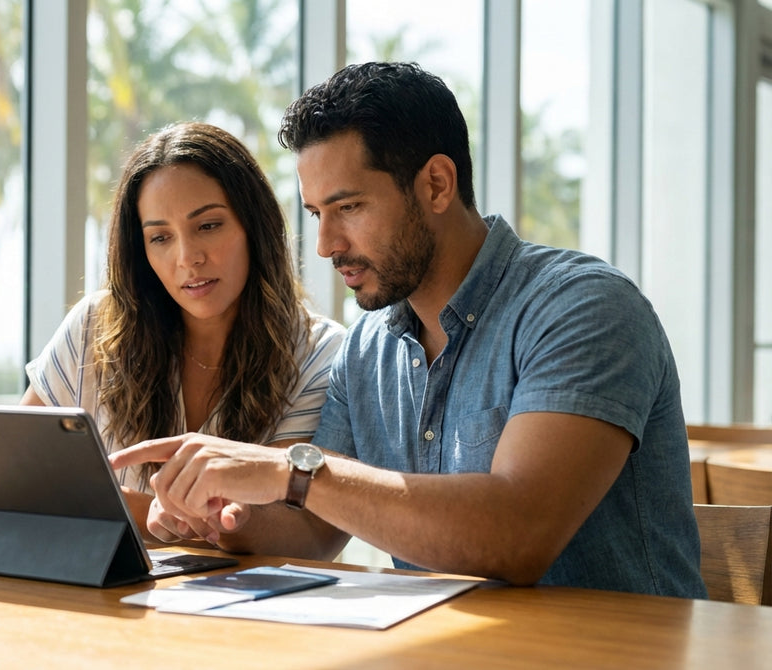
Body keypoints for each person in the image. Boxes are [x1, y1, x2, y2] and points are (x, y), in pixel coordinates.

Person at [111, 62, 708, 598]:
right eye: (317, 214)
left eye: (348, 208)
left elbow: (518, 535)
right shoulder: (366, 352)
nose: (324, 245)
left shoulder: (582, 307)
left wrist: (288, 470)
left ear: (437, 185)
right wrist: (222, 518)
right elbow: (315, 528)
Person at [0, 122, 346, 554]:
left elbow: (289, 528)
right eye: (160, 237)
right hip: (100, 605)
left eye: (208, 226)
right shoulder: (94, 326)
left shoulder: (320, 354)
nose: (188, 258)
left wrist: (45, 502)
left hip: (246, 617)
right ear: (140, 249)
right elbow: (12, 474)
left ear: (256, 226)